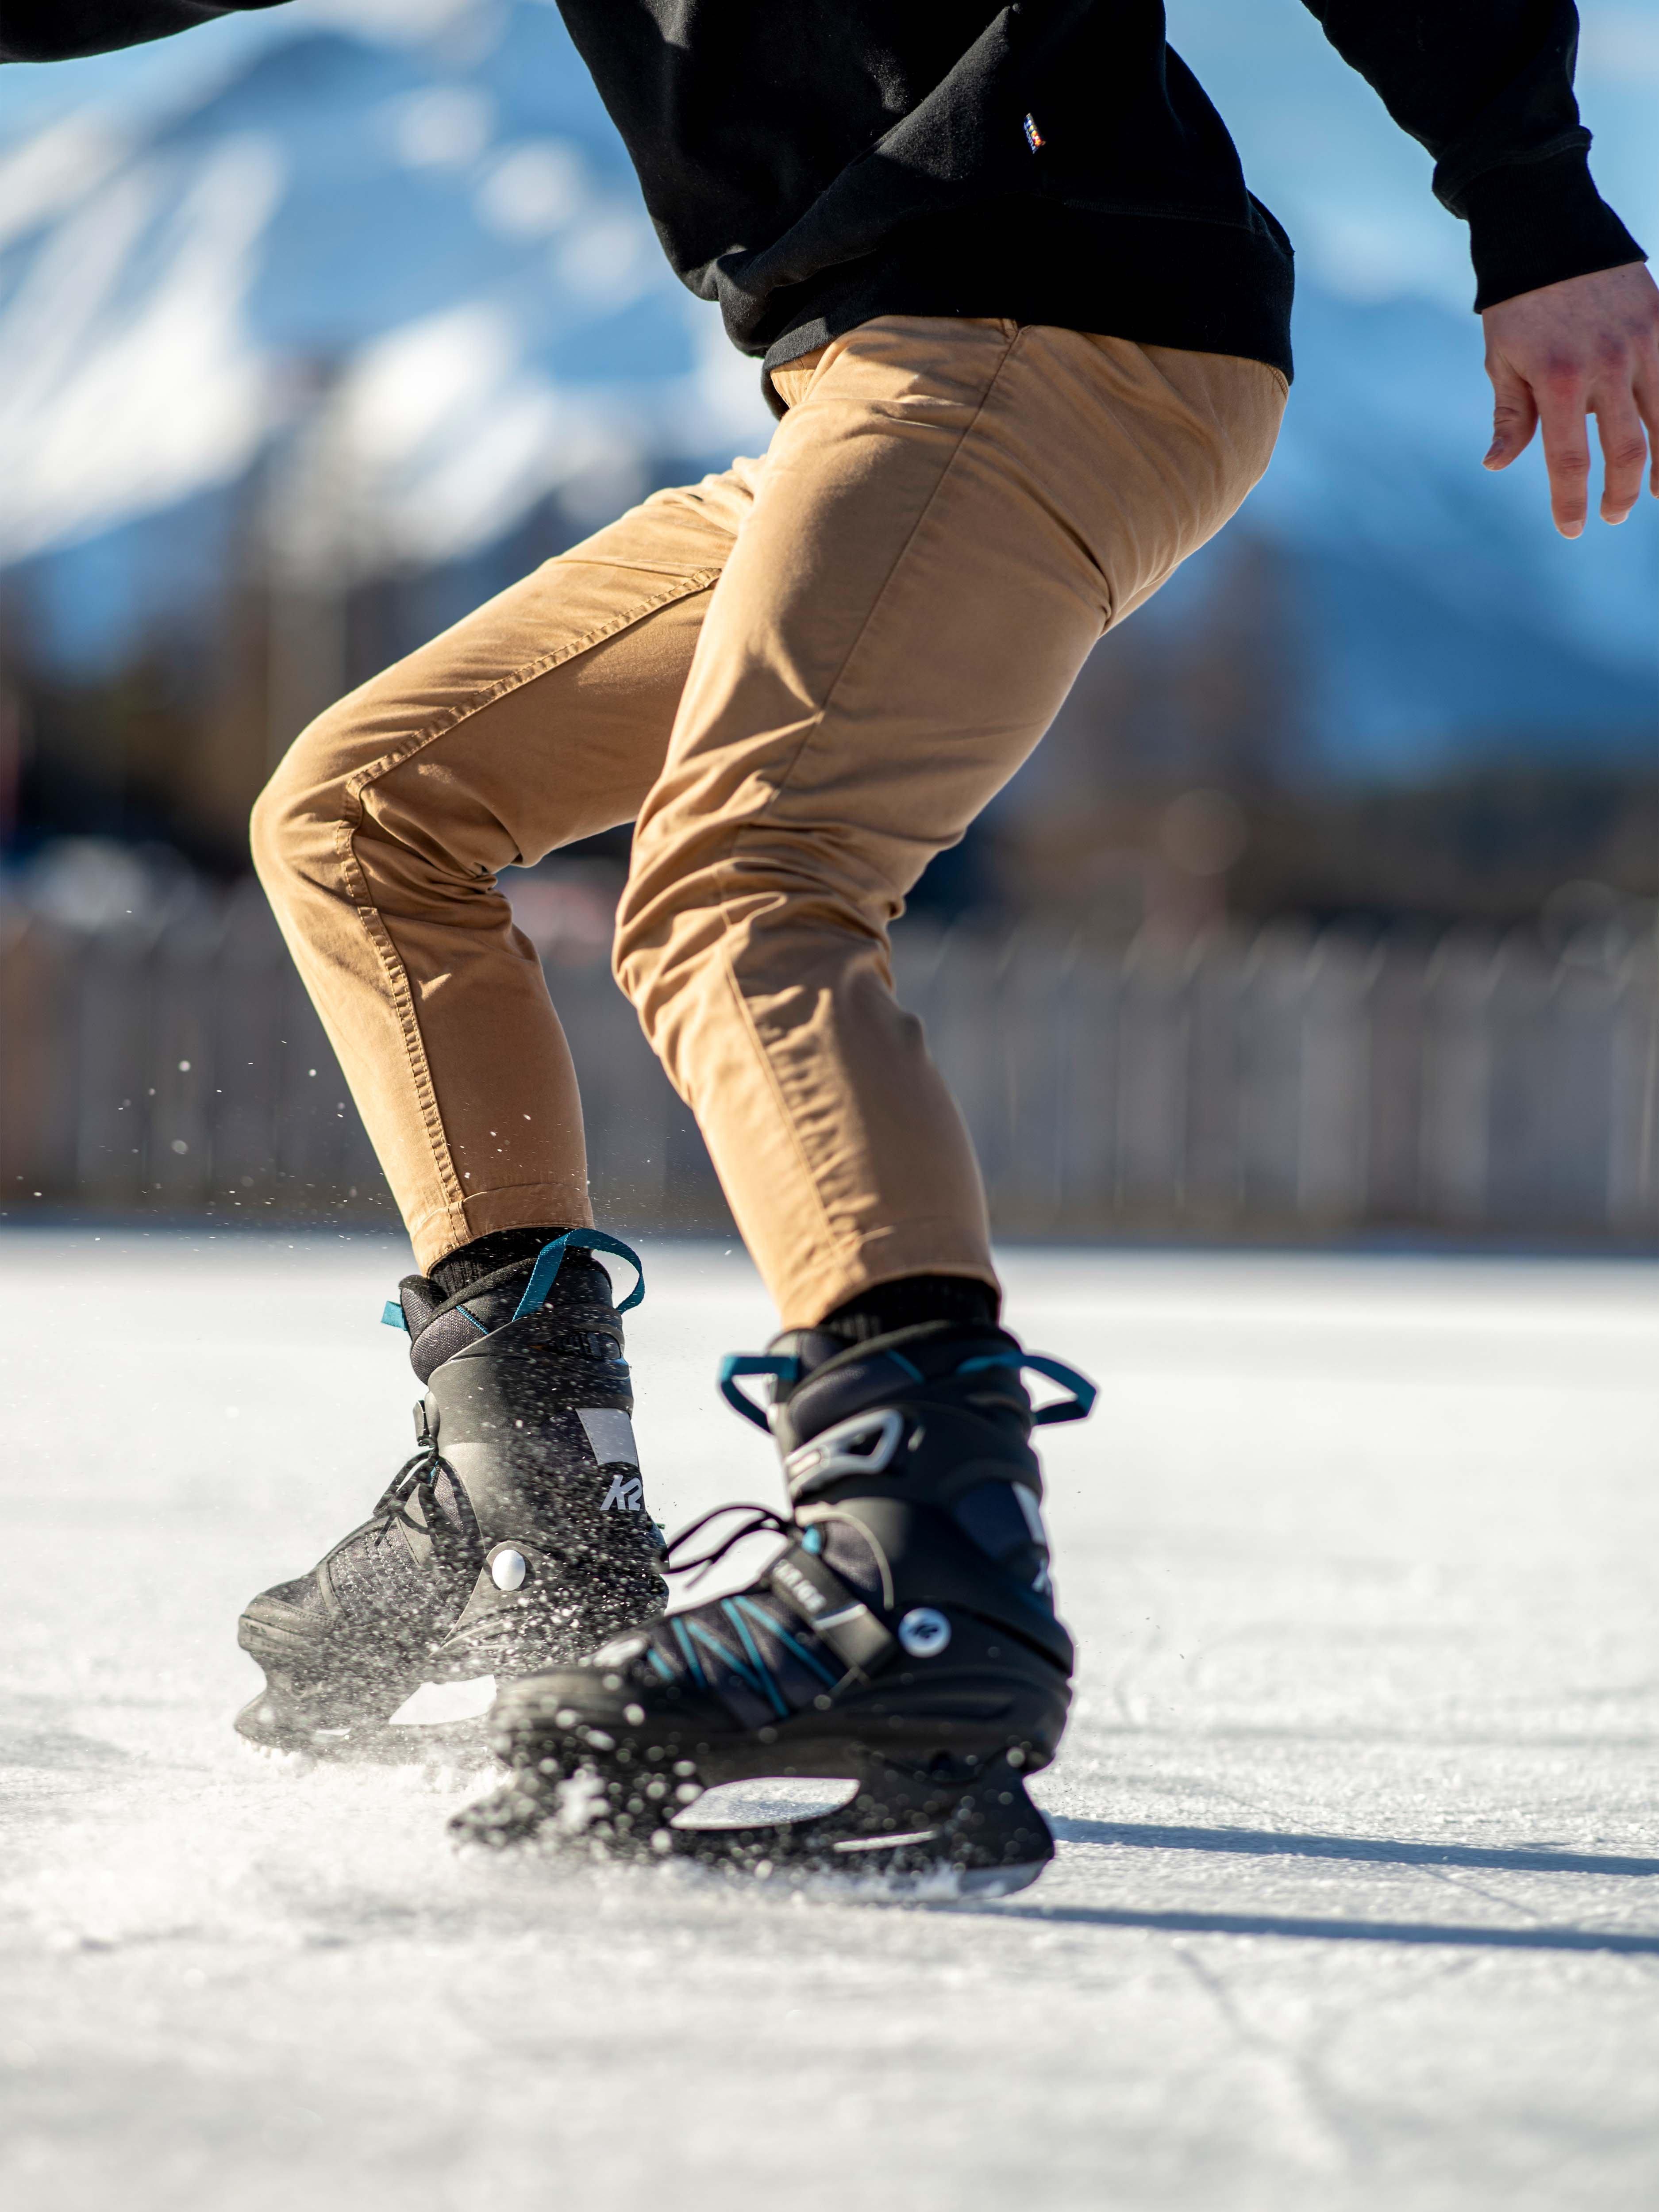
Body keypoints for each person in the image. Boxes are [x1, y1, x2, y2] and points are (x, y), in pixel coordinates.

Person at [8, 1, 1655, 1889]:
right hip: (867, 365)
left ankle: (917, 1574)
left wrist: (1536, 209)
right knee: (365, 815)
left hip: (1050, 306)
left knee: (740, 886)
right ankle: (541, 1497)